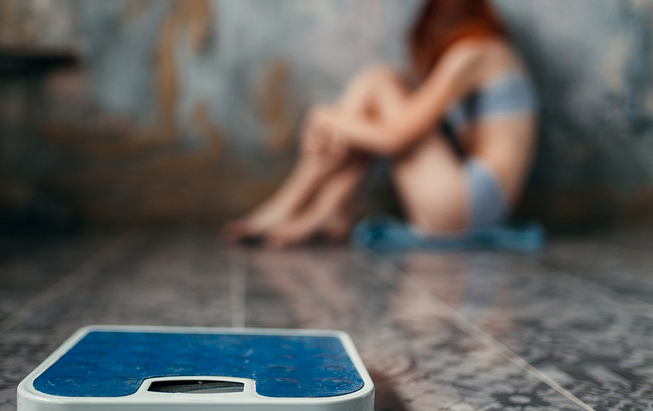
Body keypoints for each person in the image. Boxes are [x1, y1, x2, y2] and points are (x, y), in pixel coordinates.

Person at [223, 0, 538, 249]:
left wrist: (324, 117)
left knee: (378, 81)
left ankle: (297, 200)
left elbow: (395, 138)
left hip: (470, 202)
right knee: (380, 89)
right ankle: (325, 210)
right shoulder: (494, 55)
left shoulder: (474, 53)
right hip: (476, 204)